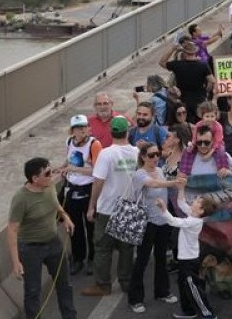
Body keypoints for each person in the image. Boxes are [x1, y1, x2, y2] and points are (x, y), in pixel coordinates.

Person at [8, 157, 78, 319]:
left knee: (65, 284)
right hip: (30, 249)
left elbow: (55, 204)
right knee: (33, 291)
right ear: (34, 179)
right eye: (47, 173)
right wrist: (15, 262)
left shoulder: (49, 185)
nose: (51, 175)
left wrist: (64, 216)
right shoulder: (21, 199)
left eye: (51, 170)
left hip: (53, 242)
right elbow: (12, 231)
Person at [83, 116, 139, 297]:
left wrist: (91, 207)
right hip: (129, 207)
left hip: (108, 208)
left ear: (111, 132)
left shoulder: (106, 154)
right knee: (126, 247)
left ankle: (103, 285)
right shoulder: (137, 152)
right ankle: (126, 282)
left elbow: (98, 182)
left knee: (102, 247)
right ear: (127, 132)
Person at [128, 143, 182, 313]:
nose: (155, 158)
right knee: (142, 260)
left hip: (162, 222)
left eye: (157, 154)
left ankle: (162, 291)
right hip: (147, 223)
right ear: (143, 157)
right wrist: (174, 182)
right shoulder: (139, 174)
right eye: (151, 155)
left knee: (161, 258)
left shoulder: (160, 171)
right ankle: (135, 299)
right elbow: (153, 185)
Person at [155, 187, 218, 319]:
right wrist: (181, 188)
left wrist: (163, 208)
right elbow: (181, 203)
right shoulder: (193, 214)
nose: (194, 201)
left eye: (197, 201)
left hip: (189, 261)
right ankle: (189, 311)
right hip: (186, 259)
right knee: (184, 285)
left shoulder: (193, 221)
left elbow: (172, 221)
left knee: (192, 287)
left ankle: (208, 314)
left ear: (200, 210)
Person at [61, 114, 101, 276]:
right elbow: (69, 160)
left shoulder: (94, 144)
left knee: (91, 226)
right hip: (72, 188)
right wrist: (62, 168)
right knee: (74, 227)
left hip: (88, 188)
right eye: (78, 127)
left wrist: (74, 169)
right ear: (72, 131)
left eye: (84, 126)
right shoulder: (69, 142)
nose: (82, 130)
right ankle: (78, 258)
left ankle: (93, 258)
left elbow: (98, 170)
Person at [159, 41, 214, 121]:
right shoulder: (203, 65)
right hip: (200, 99)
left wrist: (172, 49)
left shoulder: (177, 65)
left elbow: (162, 62)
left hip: (183, 101)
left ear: (184, 52)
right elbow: (212, 81)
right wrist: (206, 91)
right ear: (195, 52)